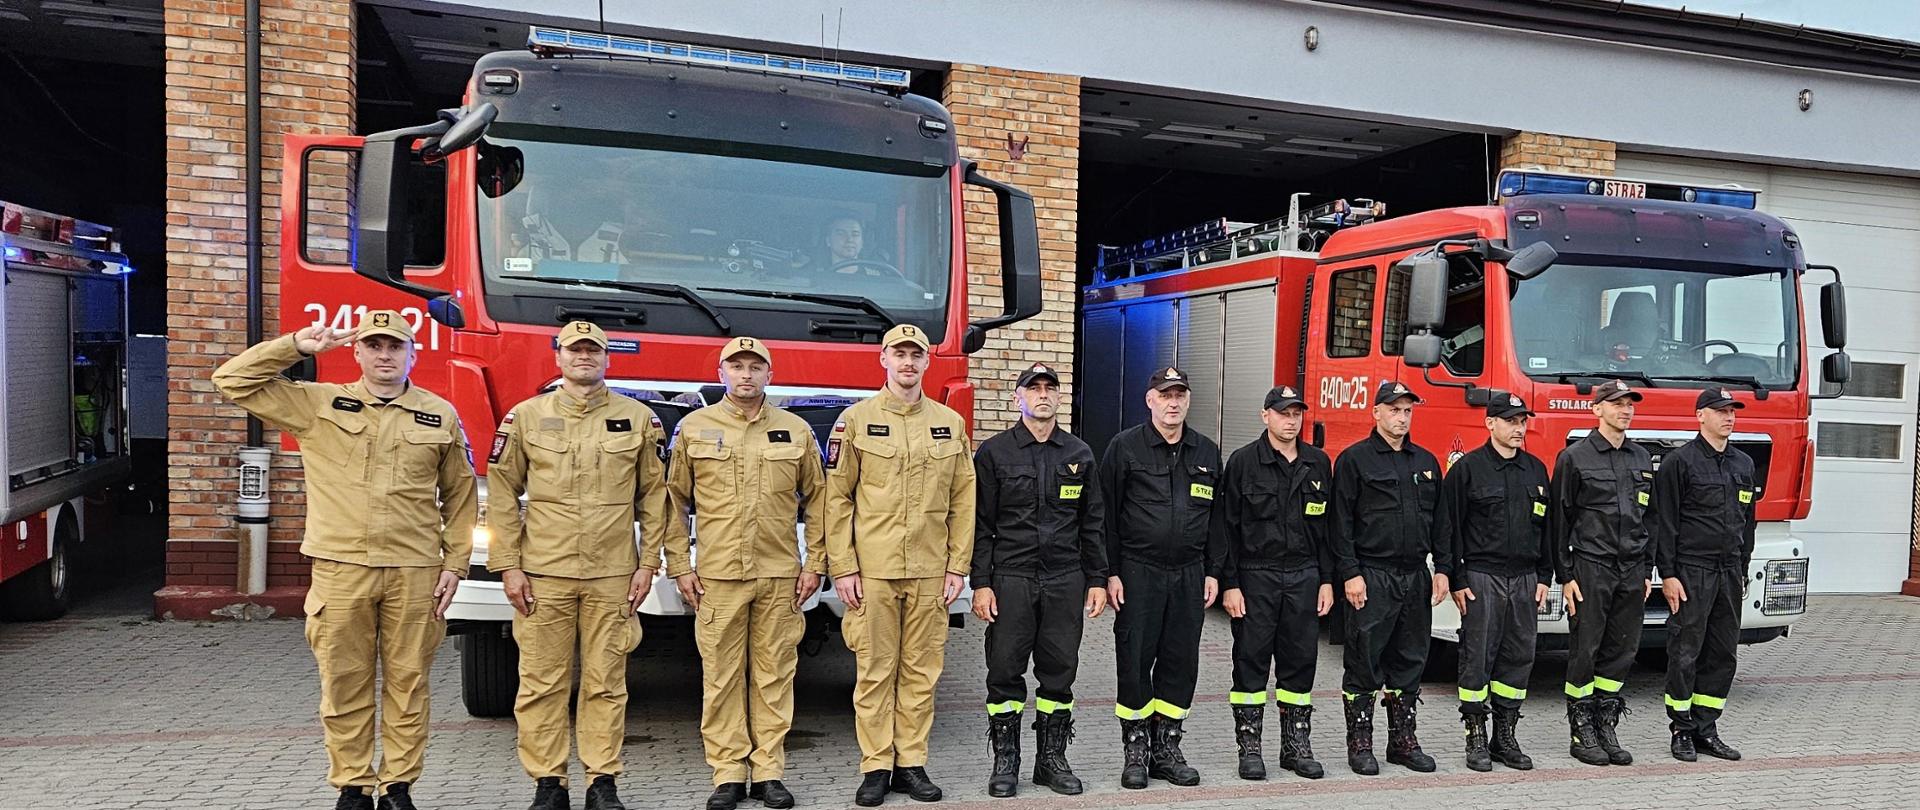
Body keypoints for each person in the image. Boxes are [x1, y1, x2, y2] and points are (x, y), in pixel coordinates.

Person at [212, 311, 476, 810]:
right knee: (344, 682)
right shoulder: (319, 403)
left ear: (412, 354)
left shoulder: (438, 413)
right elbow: (231, 380)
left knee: (409, 683)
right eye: (373, 345)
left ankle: (398, 788)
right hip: (341, 567)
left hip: (415, 570)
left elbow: (461, 497)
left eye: (394, 346)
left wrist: (455, 563)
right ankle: (353, 787)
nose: (384, 355)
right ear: (356, 352)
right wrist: (297, 346)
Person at [485, 321, 672, 810]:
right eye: (575, 350)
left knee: (606, 683)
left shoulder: (638, 419)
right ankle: (549, 783)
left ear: (607, 359)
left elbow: (656, 497)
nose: (584, 357)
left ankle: (602, 780)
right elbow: (503, 494)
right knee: (542, 683)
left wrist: (648, 562)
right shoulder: (525, 417)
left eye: (593, 351)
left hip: (613, 574)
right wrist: (508, 564)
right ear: (559, 358)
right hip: (544, 572)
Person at [665, 337, 829, 810]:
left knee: (774, 675)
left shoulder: (795, 431)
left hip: (779, 575)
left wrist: (815, 561)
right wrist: (679, 565)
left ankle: (770, 772)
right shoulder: (695, 429)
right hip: (717, 576)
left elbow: (819, 500)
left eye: (755, 367)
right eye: (736, 366)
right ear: (722, 373)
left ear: (769, 374)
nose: (746, 375)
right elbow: (671, 501)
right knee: (720, 677)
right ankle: (728, 772)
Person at [825, 323, 976, 806]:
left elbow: (963, 500)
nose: (908, 363)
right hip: (874, 571)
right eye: (899, 354)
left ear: (927, 362)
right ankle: (875, 766)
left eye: (916, 355)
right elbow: (837, 499)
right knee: (874, 670)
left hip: (931, 569)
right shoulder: (856, 421)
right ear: (883, 360)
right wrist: (843, 567)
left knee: (920, 671)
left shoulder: (948, 424)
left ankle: (910, 763)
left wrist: (958, 567)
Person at [971, 362, 1108, 798]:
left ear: (1059, 397)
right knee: (1005, 670)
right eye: (1034, 388)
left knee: (1059, 671)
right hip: (1011, 577)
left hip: (1065, 579)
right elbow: (980, 524)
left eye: (1050, 388)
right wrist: (981, 582)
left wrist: (1098, 578)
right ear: (1019, 398)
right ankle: (1006, 761)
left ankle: (1051, 760)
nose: (1043, 395)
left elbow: (1093, 522)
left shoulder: (1080, 454)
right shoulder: (994, 454)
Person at [1099, 366, 1221, 790]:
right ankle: (1135, 749)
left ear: (1188, 400)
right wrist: (1109, 572)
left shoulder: (1206, 451)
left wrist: (1212, 571)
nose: (1173, 402)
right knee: (1134, 659)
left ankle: (1167, 748)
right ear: (1149, 400)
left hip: (1189, 574)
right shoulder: (1124, 448)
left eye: (1180, 395)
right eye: (1165, 395)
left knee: (1179, 661)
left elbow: (1218, 521)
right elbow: (1106, 517)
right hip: (1138, 571)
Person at [1209, 385, 1333, 781]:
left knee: (1300, 663)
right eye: (1283, 413)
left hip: (1304, 574)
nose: (1290, 420)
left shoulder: (1318, 463)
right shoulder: (1244, 462)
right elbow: (1225, 527)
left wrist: (1327, 580)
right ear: (1266, 416)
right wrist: (1230, 583)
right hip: (1256, 575)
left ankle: (1296, 747)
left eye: (1296, 413)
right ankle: (1249, 749)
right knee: (1250, 662)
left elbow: (1328, 529)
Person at [1433, 391, 1552, 772]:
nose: (1519, 429)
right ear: (1490, 424)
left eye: (1522, 422)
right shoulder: (1467, 469)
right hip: (1482, 577)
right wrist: (1456, 577)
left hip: (1524, 578)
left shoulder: (1535, 469)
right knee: (1477, 658)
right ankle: (1476, 737)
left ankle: (1505, 735)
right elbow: (1448, 528)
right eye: (1511, 421)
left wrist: (1545, 576)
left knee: (1519, 658)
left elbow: (1548, 529)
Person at [1329, 381, 1443, 776]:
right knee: (1365, 660)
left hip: (1414, 576)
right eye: (1394, 410)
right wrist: (1350, 573)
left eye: (1407, 410)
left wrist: (1443, 568)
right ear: (1375, 412)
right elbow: (1339, 524)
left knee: (1410, 660)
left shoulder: (1426, 462)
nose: (1401, 417)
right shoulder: (1355, 460)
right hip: (1372, 576)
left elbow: (1440, 523)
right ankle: (1360, 742)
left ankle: (1403, 741)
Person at [1550, 379, 1655, 767]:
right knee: (1586, 650)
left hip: (1631, 568)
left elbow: (1652, 517)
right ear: (1597, 410)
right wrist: (1565, 575)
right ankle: (1581, 731)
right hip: (1591, 567)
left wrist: (1647, 568)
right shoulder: (1575, 458)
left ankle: (1605, 722)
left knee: (1622, 649)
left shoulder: (1641, 458)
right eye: (1616, 404)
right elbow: (1559, 521)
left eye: (1629, 404)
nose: (1625, 410)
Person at [1653, 388, 1757, 763]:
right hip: (1692, 571)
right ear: (1700, 416)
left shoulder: (1743, 464)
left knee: (1722, 653)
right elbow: (1665, 523)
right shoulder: (1679, 463)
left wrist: (1742, 568)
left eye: (1732, 412)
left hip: (1728, 571)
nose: (1728, 418)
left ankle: (1706, 727)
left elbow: (1749, 524)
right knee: (1685, 652)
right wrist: (1668, 574)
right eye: (1720, 411)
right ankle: (1681, 729)